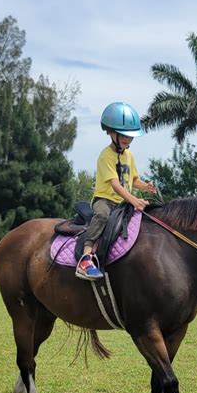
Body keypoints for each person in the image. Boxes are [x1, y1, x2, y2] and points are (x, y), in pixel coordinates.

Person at [75, 101, 156, 280]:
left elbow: (133, 180)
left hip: (123, 202)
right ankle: (86, 258)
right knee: (102, 216)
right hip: (105, 200)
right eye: (123, 135)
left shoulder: (129, 155)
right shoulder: (106, 156)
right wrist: (135, 201)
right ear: (111, 132)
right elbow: (116, 185)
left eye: (130, 136)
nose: (127, 139)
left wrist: (146, 186)